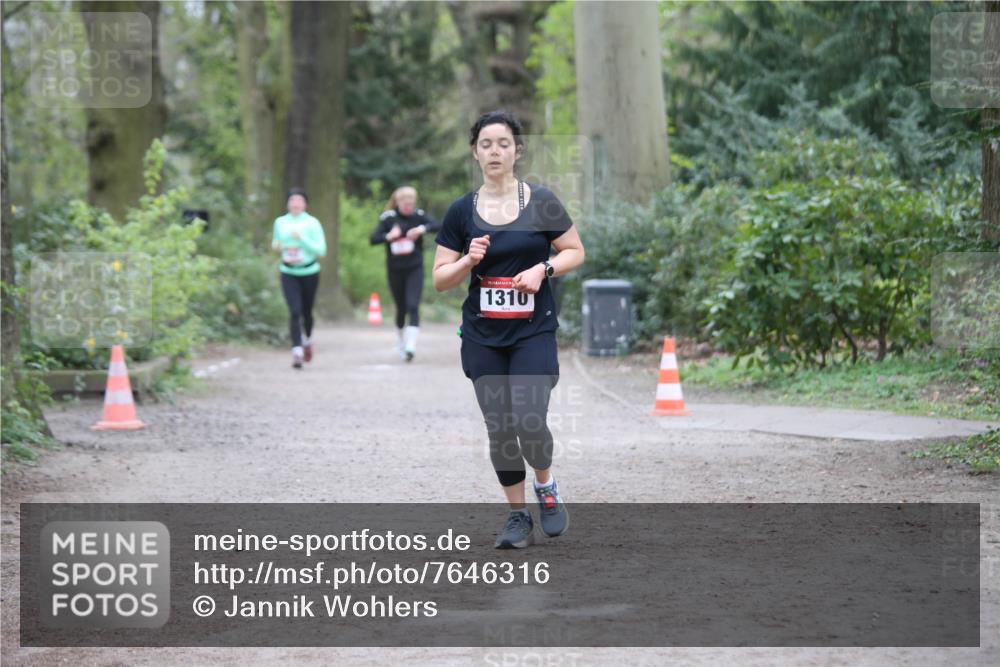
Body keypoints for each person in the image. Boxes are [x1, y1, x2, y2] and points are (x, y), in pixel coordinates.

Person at [433, 111, 585, 548]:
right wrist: (467, 260)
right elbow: (441, 279)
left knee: (530, 420)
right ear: (475, 153)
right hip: (483, 337)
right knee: (500, 426)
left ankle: (547, 487)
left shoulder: (540, 201)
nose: (494, 151)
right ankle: (518, 516)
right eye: (486, 144)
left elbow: (575, 251)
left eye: (503, 143)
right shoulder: (462, 211)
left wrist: (544, 269)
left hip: (532, 331)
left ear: (517, 151)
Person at [369, 186, 441, 361]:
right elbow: (373, 239)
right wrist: (389, 236)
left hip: (414, 267)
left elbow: (439, 225)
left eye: (411, 203)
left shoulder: (418, 216)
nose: (409, 207)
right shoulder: (388, 218)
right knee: (401, 308)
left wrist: (421, 230)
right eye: (405, 203)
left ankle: (411, 346)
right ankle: (401, 340)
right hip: (395, 269)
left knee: (413, 305)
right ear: (398, 203)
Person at [272, 188, 327, 369]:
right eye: (292, 200)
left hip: (309, 271)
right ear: (287, 203)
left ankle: (307, 339)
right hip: (288, 271)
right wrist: (277, 246)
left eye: (299, 200)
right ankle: (297, 350)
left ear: (305, 204)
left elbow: (321, 250)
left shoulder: (312, 223)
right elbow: (276, 243)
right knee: (294, 311)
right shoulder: (280, 222)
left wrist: (302, 239)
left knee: (306, 312)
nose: (295, 204)